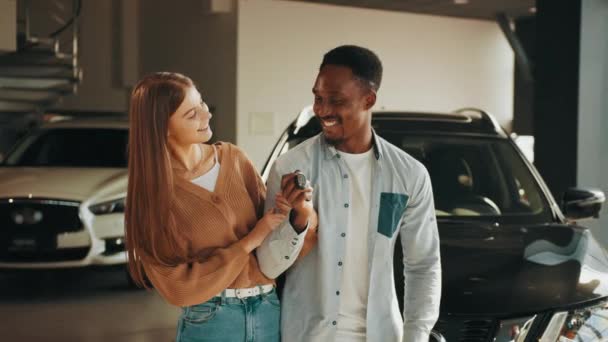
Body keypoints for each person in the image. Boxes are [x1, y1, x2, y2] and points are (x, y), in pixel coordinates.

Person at [257, 45, 442, 342]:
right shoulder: (290, 167)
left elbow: (423, 265)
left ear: (368, 100)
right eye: (318, 98)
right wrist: (298, 222)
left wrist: (415, 336)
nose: (322, 110)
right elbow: (268, 265)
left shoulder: (409, 175)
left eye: (336, 100)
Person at [124, 72, 307, 341]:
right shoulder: (154, 197)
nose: (206, 116)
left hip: (268, 310)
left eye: (203, 105)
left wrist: (292, 210)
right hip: (211, 320)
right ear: (162, 126)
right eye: (191, 114)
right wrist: (249, 241)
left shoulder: (234, 159)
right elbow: (177, 288)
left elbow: (273, 238)